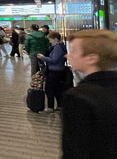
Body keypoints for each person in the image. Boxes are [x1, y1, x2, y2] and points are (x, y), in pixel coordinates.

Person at [60, 30, 117, 158]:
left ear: (91, 58)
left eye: (73, 51)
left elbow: (75, 150)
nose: (67, 56)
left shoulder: (78, 96)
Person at [36, 31, 67, 113]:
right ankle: (60, 105)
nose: (50, 41)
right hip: (59, 70)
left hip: (55, 71)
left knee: (49, 88)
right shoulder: (61, 46)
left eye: (51, 39)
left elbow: (54, 60)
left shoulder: (58, 48)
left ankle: (50, 107)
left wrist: (42, 57)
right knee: (57, 88)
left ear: (55, 39)